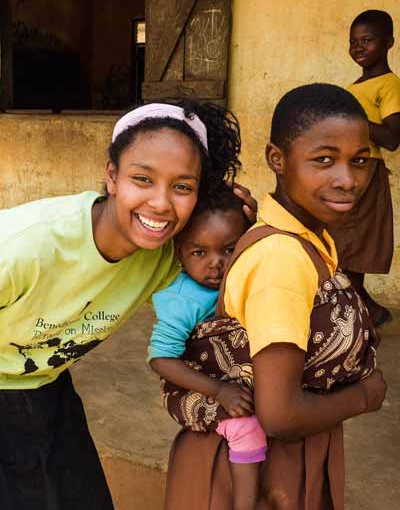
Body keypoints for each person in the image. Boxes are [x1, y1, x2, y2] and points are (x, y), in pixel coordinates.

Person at [0, 101, 257, 510]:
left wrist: (245, 225)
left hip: (44, 394)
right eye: (142, 179)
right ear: (111, 175)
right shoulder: (22, 246)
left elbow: (230, 250)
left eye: (182, 186)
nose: (161, 203)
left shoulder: (164, 252)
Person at [163, 84, 387, 510]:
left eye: (360, 161)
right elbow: (279, 414)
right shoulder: (281, 259)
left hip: (278, 461)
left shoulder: (305, 235)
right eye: (324, 160)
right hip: (256, 473)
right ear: (277, 160)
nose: (347, 179)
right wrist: (365, 395)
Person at [149, 188, 265, 510]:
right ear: (179, 251)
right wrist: (219, 391)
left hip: (222, 376)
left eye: (229, 249)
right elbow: (161, 358)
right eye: (199, 253)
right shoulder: (184, 300)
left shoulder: (245, 276)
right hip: (188, 387)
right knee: (246, 427)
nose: (216, 264)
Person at [328, 10, 400, 326]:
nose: (358, 47)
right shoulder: (356, 85)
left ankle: (364, 308)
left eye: (367, 41)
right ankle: (367, 308)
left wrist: (353, 120)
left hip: (365, 171)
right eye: (353, 42)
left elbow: (393, 137)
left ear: (389, 43)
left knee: (353, 241)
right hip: (349, 169)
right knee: (340, 239)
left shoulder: (389, 85)